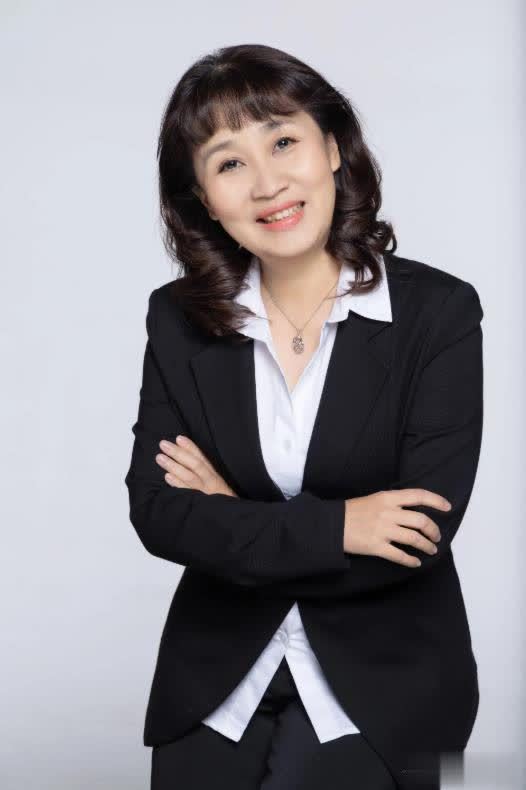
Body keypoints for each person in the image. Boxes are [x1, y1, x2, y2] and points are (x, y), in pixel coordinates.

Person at [124, 43, 483, 790]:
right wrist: (341, 526)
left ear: (332, 147)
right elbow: (159, 514)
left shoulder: (439, 313)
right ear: (203, 198)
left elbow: (419, 535)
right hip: (218, 673)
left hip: (389, 686)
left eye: (283, 141)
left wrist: (233, 516)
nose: (268, 183)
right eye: (229, 162)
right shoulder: (177, 320)